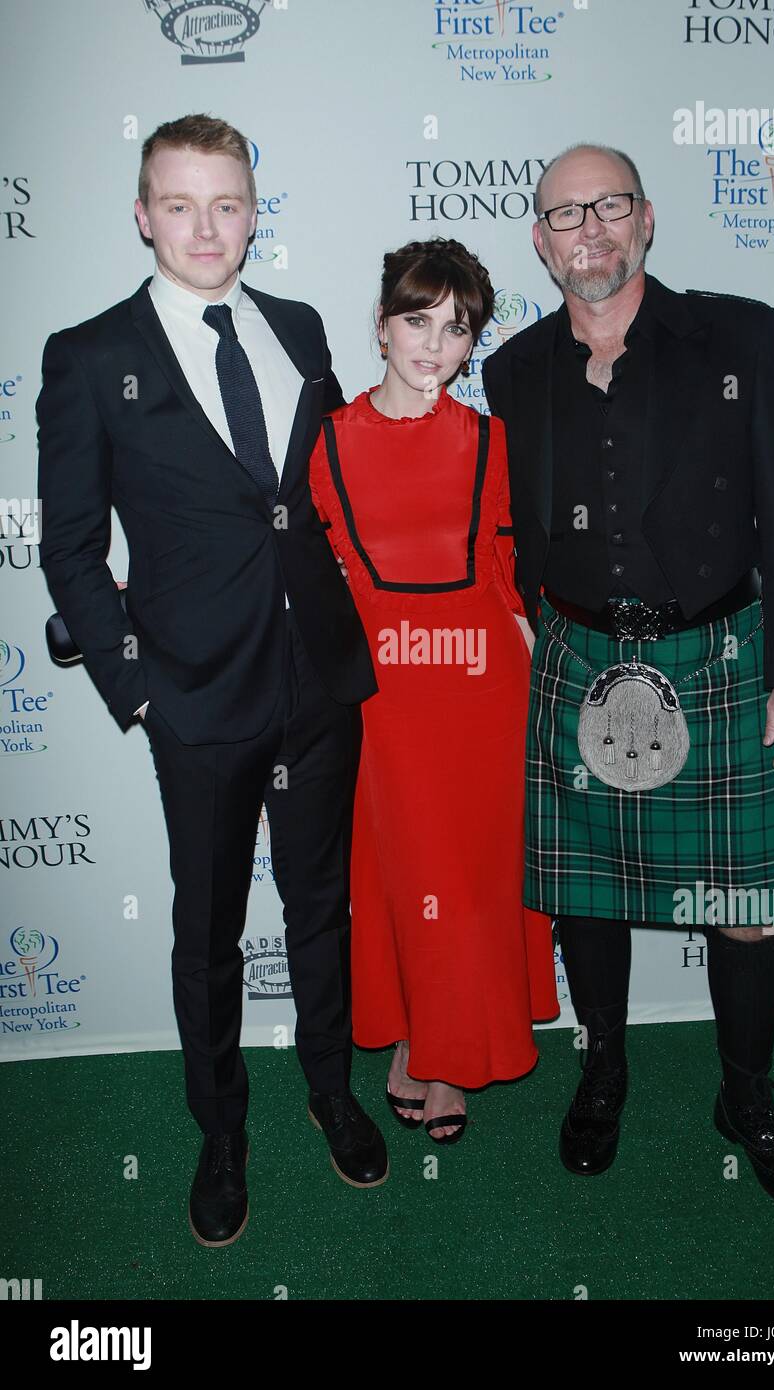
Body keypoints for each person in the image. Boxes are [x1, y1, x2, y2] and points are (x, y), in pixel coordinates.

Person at [36, 113, 388, 1248]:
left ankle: (333, 1093)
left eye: (227, 202)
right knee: (209, 931)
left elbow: (322, 499)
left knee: (322, 909)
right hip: (195, 696)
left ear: (253, 211)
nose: (206, 225)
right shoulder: (89, 356)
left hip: (321, 683)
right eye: (179, 203)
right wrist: (137, 689)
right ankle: (221, 1131)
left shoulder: (299, 325)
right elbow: (72, 548)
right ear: (142, 215)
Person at [482, 144, 774, 1211]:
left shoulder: (736, 334)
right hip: (578, 656)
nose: (589, 228)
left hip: (721, 655)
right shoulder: (514, 369)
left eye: (610, 206)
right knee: (590, 896)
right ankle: (604, 1068)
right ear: (540, 242)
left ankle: (748, 1093)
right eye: (565, 214)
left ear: (646, 220)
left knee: (749, 901)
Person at [308, 238, 559, 1143]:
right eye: (417, 320)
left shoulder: (493, 440)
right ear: (381, 326)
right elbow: (312, 569)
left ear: (471, 345)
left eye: (456, 329)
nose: (433, 344)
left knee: (472, 877)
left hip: (486, 692)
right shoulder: (326, 444)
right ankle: (415, 1031)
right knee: (406, 874)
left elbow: (505, 566)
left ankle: (446, 1052)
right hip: (386, 696)